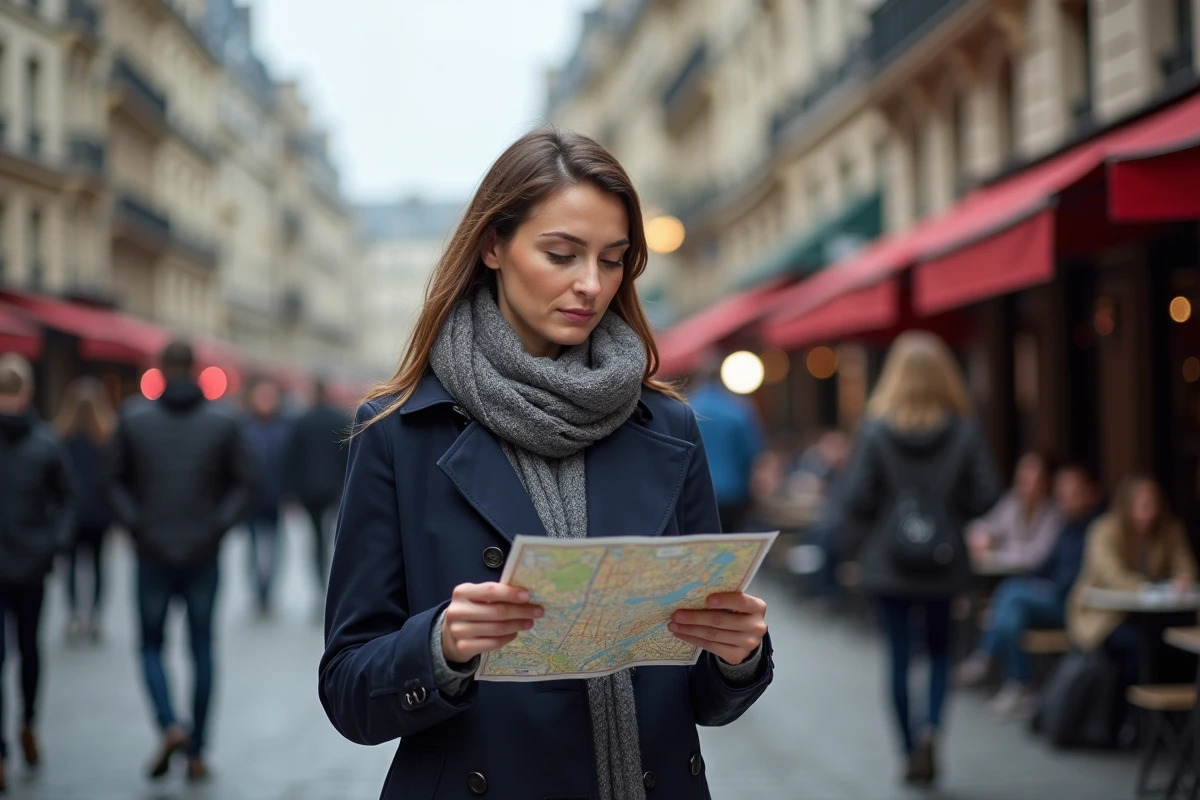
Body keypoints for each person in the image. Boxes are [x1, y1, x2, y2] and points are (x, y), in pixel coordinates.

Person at [319, 129, 773, 800]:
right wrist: (441, 645)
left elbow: (706, 698)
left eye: (613, 260)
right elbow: (348, 689)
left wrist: (738, 655)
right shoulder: (399, 432)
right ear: (493, 246)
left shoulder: (668, 425)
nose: (591, 284)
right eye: (561, 254)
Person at [839, 331, 1000, 787]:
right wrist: (949, 512)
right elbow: (987, 494)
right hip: (945, 563)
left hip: (889, 563)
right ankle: (931, 731)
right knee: (941, 652)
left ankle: (909, 748)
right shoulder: (964, 430)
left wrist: (891, 514)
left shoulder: (875, 430)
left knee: (898, 656)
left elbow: (856, 497)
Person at [105, 340, 256, 782]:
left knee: (151, 645)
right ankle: (197, 750)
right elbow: (246, 483)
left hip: (151, 551)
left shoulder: (133, 418)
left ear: (161, 368)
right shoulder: (223, 420)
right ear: (193, 368)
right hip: (202, 552)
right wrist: (217, 526)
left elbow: (111, 481)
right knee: (202, 648)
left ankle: (170, 724)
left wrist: (137, 525)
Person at [956, 463, 1102, 716]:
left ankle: (990, 661)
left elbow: (1067, 574)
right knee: (1012, 609)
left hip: (1073, 604)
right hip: (1049, 594)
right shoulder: (1062, 522)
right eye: (1062, 492)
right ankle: (1017, 683)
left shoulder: (1088, 527)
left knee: (1011, 595)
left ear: (1091, 492)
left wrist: (1039, 582)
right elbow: (1044, 564)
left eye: (1072, 492)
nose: (1066, 498)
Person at [0, 354, 77, 792]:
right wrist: (53, 544)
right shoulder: (46, 442)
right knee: (29, 650)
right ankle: (27, 723)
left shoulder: (47, 443)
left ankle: (4, 746)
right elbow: (68, 500)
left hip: (22, 562)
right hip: (32, 563)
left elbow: (66, 500)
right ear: (27, 392)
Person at [1068, 474, 1197, 689]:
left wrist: (1183, 579)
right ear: (1127, 504)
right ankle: (1129, 705)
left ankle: (1162, 704)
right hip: (1106, 616)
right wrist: (1147, 586)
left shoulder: (1169, 529)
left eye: (1154, 503)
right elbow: (1110, 575)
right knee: (1135, 646)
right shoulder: (1105, 529)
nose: (1150, 510)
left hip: (1153, 615)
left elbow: (1186, 568)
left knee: (1173, 644)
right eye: (1144, 504)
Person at [54, 377, 117, 642]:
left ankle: (74, 615)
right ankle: (95, 616)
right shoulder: (107, 437)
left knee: (69, 566)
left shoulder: (61, 436)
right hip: (99, 513)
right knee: (98, 565)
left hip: (71, 513)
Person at [284, 378, 351, 601]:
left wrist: (291, 490)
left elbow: (291, 458)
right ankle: (334, 578)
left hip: (308, 490)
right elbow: (348, 456)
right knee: (335, 534)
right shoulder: (340, 418)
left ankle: (320, 578)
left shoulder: (301, 421)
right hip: (336, 488)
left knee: (316, 537)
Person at [687, 361, 765, 533]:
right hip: (733, 490)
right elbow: (751, 452)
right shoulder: (738, 408)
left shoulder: (688, 408)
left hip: (696, 493)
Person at [240, 380, 291, 616]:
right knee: (252, 549)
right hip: (251, 500)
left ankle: (268, 591)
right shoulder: (243, 428)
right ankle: (257, 592)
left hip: (275, 498)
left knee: (274, 549)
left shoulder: (285, 428)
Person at [967, 452, 1063, 573]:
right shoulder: (1012, 502)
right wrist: (981, 536)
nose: (1023, 478)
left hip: (1039, 576)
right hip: (1007, 573)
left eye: (1030, 474)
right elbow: (988, 525)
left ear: (1045, 481)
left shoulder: (1054, 512)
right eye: (1021, 473)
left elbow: (1037, 557)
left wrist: (1000, 549)